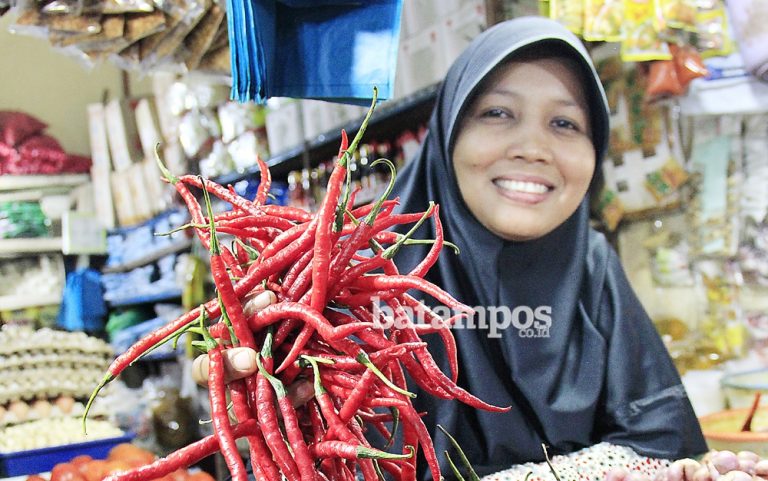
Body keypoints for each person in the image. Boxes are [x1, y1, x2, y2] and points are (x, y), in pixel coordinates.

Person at [193, 15, 707, 481]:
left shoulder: (593, 266)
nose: (533, 147)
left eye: (565, 123)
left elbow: (662, 442)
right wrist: (264, 406)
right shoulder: (351, 273)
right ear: (448, 134)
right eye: (499, 113)